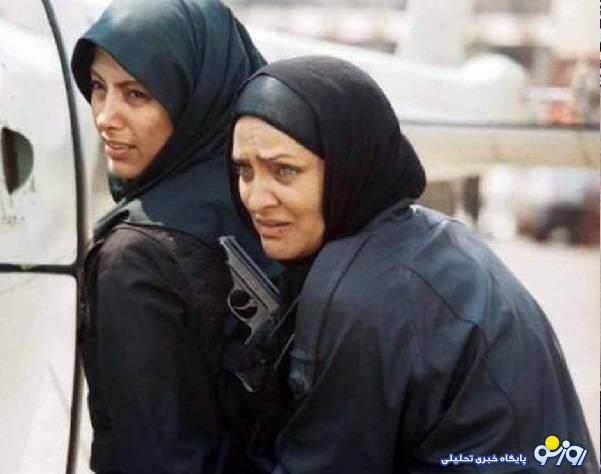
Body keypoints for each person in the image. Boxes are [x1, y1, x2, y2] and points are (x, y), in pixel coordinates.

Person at [225, 56, 596, 473]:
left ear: (350, 162)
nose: (256, 198)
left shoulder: (360, 292)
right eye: (244, 170)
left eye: (285, 171)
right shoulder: (423, 237)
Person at [70, 1, 274, 472]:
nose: (105, 117)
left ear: (196, 95)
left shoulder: (137, 259)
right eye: (98, 87)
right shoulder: (276, 207)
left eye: (137, 94)